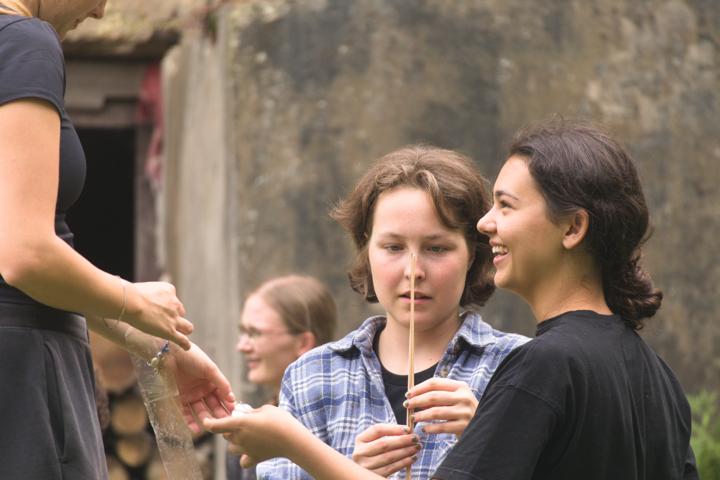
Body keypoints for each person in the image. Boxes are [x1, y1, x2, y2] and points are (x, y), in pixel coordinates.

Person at [205, 120, 698, 480]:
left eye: (505, 206)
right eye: (392, 246)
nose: (488, 223)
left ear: (573, 228)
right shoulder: (659, 376)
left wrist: (298, 446)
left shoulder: (534, 367)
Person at [0, 2, 234, 478]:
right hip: (21, 382)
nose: (102, 12)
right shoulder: (22, 41)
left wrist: (151, 342)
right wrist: (133, 301)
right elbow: (25, 255)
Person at [254, 146, 529, 479]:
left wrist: (487, 435)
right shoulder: (311, 376)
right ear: (367, 249)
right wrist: (345, 473)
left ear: (471, 253)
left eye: (437, 248)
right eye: (393, 247)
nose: (413, 271)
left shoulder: (519, 366)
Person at [228, 274, 338, 480]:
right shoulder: (250, 430)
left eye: (255, 333)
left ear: (303, 343)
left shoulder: (342, 422)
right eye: (243, 332)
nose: (242, 346)